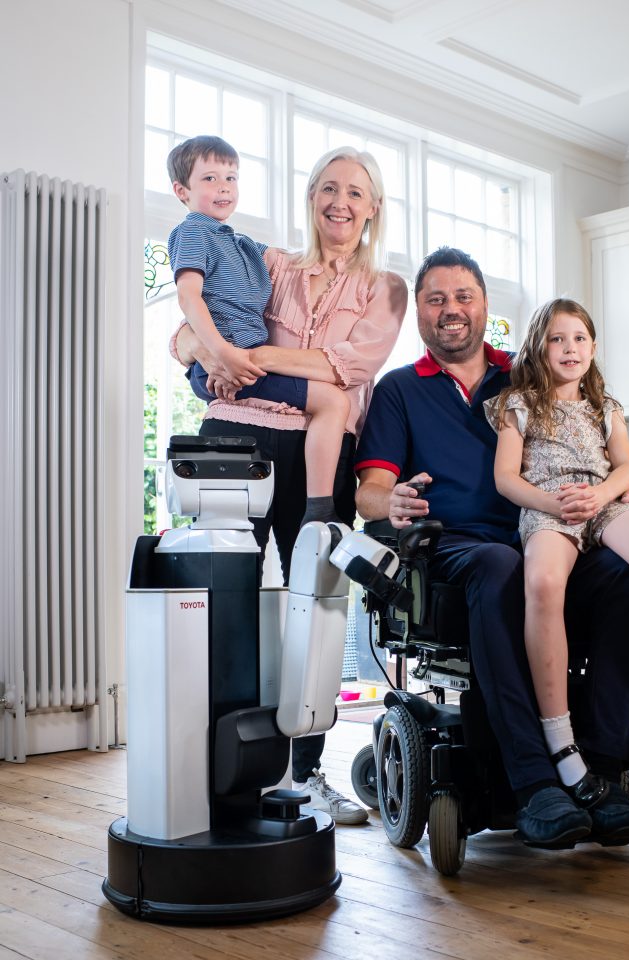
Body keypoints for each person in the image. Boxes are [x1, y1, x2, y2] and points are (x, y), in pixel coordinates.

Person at [355, 247, 629, 849]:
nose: (451, 310)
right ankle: (533, 783)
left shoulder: (526, 378)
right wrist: (386, 503)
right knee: (500, 567)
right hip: (459, 548)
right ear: (419, 310)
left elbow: (591, 451)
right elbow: (369, 491)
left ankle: (602, 770)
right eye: (436, 299)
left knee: (627, 576)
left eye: (463, 296)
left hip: (552, 535)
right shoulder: (397, 390)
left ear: (485, 306)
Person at [172, 146, 408, 823]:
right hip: (236, 433)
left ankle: (306, 774)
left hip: (319, 449)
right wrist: (201, 348)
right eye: (328, 188)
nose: (340, 201)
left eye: (355, 192)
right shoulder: (266, 262)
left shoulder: (386, 288)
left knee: (319, 606)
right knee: (225, 605)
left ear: (373, 209)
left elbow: (347, 365)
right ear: (310, 197)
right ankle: (219, 766)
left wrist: (259, 357)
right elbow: (189, 328)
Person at [487, 298, 629, 803]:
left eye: (580, 338)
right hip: (548, 506)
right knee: (541, 582)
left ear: (594, 348)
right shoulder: (517, 403)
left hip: (601, 502)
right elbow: (505, 479)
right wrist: (556, 507)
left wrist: (601, 496)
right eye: (558, 338)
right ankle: (560, 740)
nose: (570, 348)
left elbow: (627, 467)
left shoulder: (605, 407)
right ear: (540, 347)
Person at [167, 135, 350, 527]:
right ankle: (320, 506)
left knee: (332, 403)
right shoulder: (193, 233)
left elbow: (286, 261)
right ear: (182, 191)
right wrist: (220, 353)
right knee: (333, 402)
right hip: (229, 360)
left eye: (231, 178)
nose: (224, 188)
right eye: (210, 179)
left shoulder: (239, 244)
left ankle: (317, 505)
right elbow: (189, 299)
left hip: (242, 358)